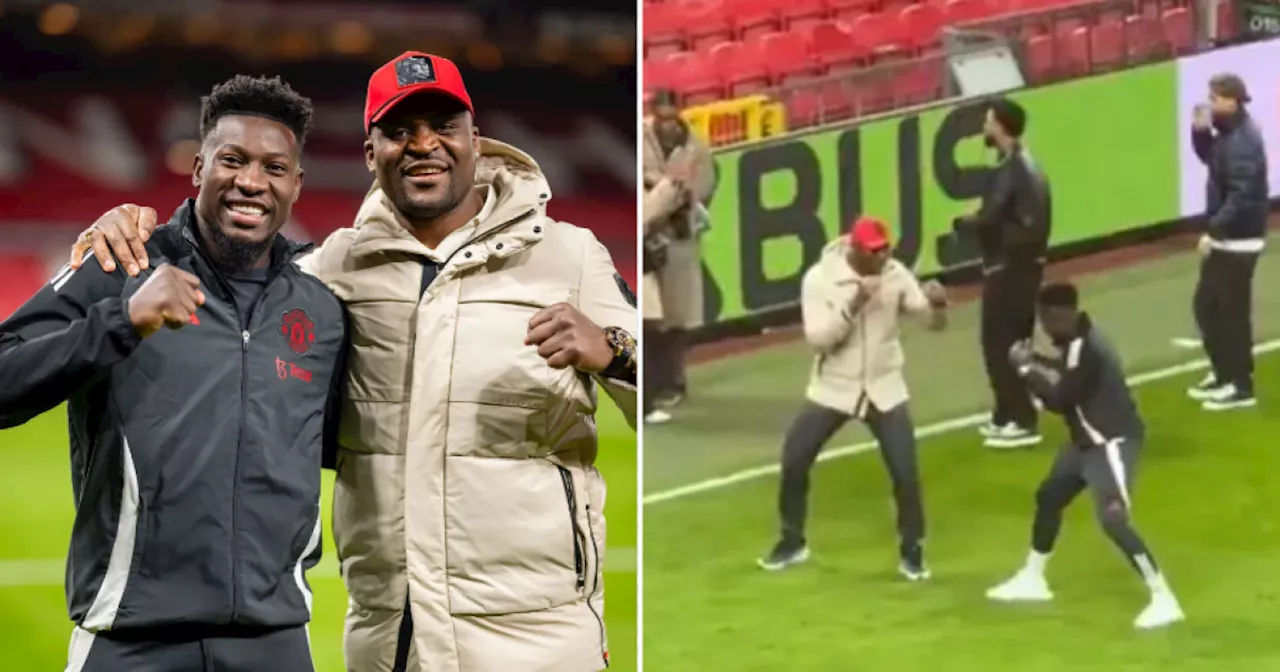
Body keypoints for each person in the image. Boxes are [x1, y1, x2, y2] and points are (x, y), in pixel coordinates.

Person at [70, 52, 637, 672]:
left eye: (443, 126)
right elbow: (225, 270)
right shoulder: (331, 270)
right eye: (399, 132)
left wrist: (616, 353)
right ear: (371, 154)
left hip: (537, 632)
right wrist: (126, 230)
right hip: (390, 632)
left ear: (476, 139)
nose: (424, 145)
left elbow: (673, 399)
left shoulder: (570, 255)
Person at [2, 76, 347, 671]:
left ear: (295, 184)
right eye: (232, 160)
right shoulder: (120, 264)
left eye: (273, 167)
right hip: (131, 641)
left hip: (276, 642)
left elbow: (353, 441)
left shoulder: (320, 308)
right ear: (197, 168)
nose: (250, 182)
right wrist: (121, 320)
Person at [758, 216, 948, 580]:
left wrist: (937, 306)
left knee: (905, 472)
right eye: (876, 251)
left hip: (884, 385)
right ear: (856, 250)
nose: (884, 257)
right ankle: (792, 540)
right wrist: (855, 302)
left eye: (886, 249)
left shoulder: (895, 273)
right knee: (795, 459)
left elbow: (930, 322)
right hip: (835, 386)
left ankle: (913, 550)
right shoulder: (820, 279)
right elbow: (818, 339)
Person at [988, 282, 1184, 630]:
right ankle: (1033, 579)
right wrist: (1035, 360)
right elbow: (1067, 374)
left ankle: (1164, 598)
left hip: (1110, 443)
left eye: (1045, 321)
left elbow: (1062, 399)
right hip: (1085, 444)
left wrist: (1024, 370)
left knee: (1113, 519)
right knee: (1049, 497)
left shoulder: (1089, 349)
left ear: (1056, 315)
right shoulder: (1078, 339)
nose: (1044, 329)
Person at [954, 97, 1052, 450]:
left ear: (1001, 127)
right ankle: (1006, 412)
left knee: (1002, 343)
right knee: (1005, 341)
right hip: (1014, 267)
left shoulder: (1019, 170)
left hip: (1013, 270)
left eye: (988, 121)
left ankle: (1022, 418)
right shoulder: (1017, 166)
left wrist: (974, 225)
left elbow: (1024, 224)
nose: (984, 127)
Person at [1186, 73, 1269, 411]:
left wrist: (1214, 231)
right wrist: (1200, 132)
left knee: (1229, 314)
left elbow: (1242, 194)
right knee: (1208, 307)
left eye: (1215, 97)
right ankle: (1224, 373)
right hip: (1231, 237)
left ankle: (1239, 385)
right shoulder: (1229, 133)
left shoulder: (1243, 141)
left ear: (1233, 100)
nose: (1211, 102)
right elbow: (1211, 160)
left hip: (1238, 240)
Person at [642, 88, 715, 413]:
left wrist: (682, 194)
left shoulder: (695, 144)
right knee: (654, 318)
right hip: (649, 237)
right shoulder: (642, 137)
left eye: (672, 117)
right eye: (662, 117)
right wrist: (664, 185)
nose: (668, 124)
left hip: (680, 235)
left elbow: (705, 185)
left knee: (679, 316)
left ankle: (675, 379)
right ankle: (652, 384)